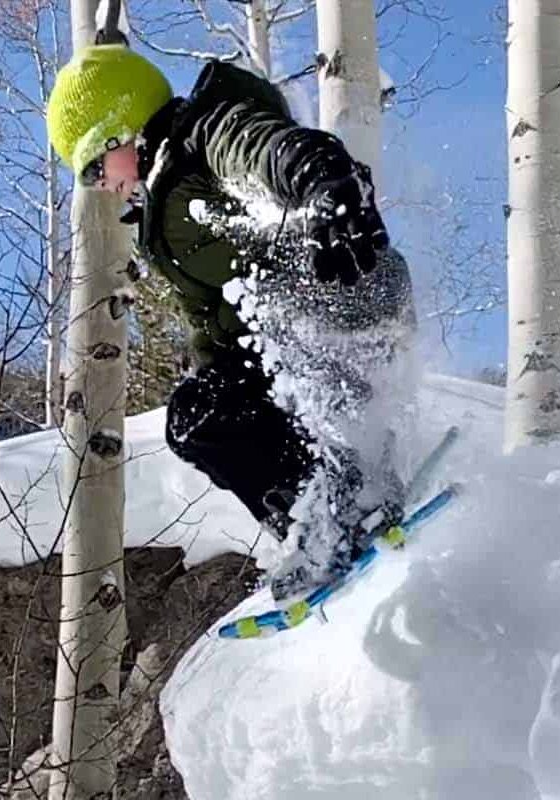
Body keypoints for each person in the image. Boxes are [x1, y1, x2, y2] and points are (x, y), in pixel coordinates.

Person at [46, 43, 414, 596]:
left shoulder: (204, 138)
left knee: (273, 300)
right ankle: (315, 520)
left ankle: (352, 487)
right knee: (198, 415)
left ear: (127, 125)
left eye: (96, 161)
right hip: (299, 330)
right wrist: (226, 405)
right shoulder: (165, 215)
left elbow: (263, 148)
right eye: (87, 176)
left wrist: (324, 183)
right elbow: (216, 330)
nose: (100, 182)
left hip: (345, 267)